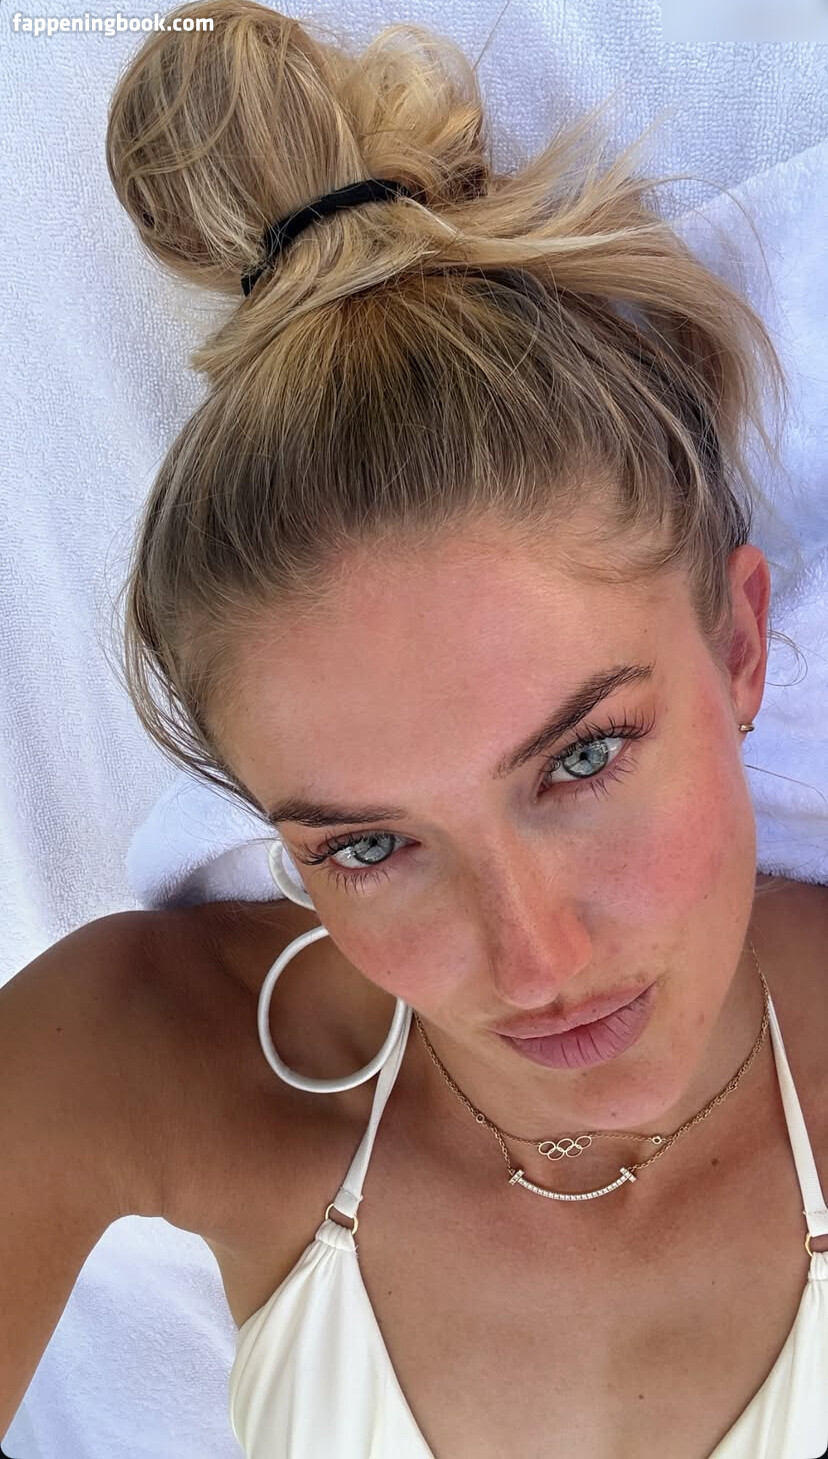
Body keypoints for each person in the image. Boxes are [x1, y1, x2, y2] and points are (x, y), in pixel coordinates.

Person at [3, 0, 826, 1454]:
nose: (537, 963)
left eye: (582, 758)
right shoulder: (143, 1062)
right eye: (372, 845)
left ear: (740, 645)